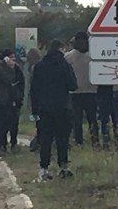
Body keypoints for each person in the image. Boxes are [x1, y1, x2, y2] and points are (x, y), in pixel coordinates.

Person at [31, 40, 78, 181]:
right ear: (60, 49)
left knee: (45, 139)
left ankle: (43, 169)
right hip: (62, 107)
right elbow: (73, 86)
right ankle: (63, 167)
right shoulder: (65, 66)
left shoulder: (39, 66)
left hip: (44, 109)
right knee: (62, 139)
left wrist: (35, 110)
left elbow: (34, 90)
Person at [65, 32, 98, 147]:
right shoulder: (94, 55)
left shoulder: (68, 57)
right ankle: (95, 141)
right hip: (90, 91)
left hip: (76, 92)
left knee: (78, 119)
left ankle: (79, 142)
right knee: (91, 118)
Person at [0, 50, 18, 157]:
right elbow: (9, 80)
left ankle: (1, 146)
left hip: (5, 100)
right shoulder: (0, 69)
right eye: (11, 58)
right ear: (6, 58)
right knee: (0, 125)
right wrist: (12, 69)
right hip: (0, 101)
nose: (13, 60)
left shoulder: (2, 68)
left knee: (4, 125)